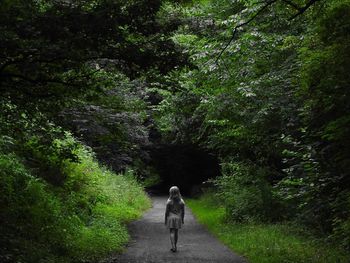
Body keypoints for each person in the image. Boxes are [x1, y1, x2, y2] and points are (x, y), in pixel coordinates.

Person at [165, 186, 185, 252]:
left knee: (171, 232)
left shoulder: (169, 201)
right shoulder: (181, 201)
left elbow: (166, 212)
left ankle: (173, 246)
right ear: (178, 192)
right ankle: (175, 246)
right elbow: (183, 212)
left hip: (171, 218)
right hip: (178, 218)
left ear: (170, 192)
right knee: (176, 232)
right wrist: (182, 219)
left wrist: (165, 220)